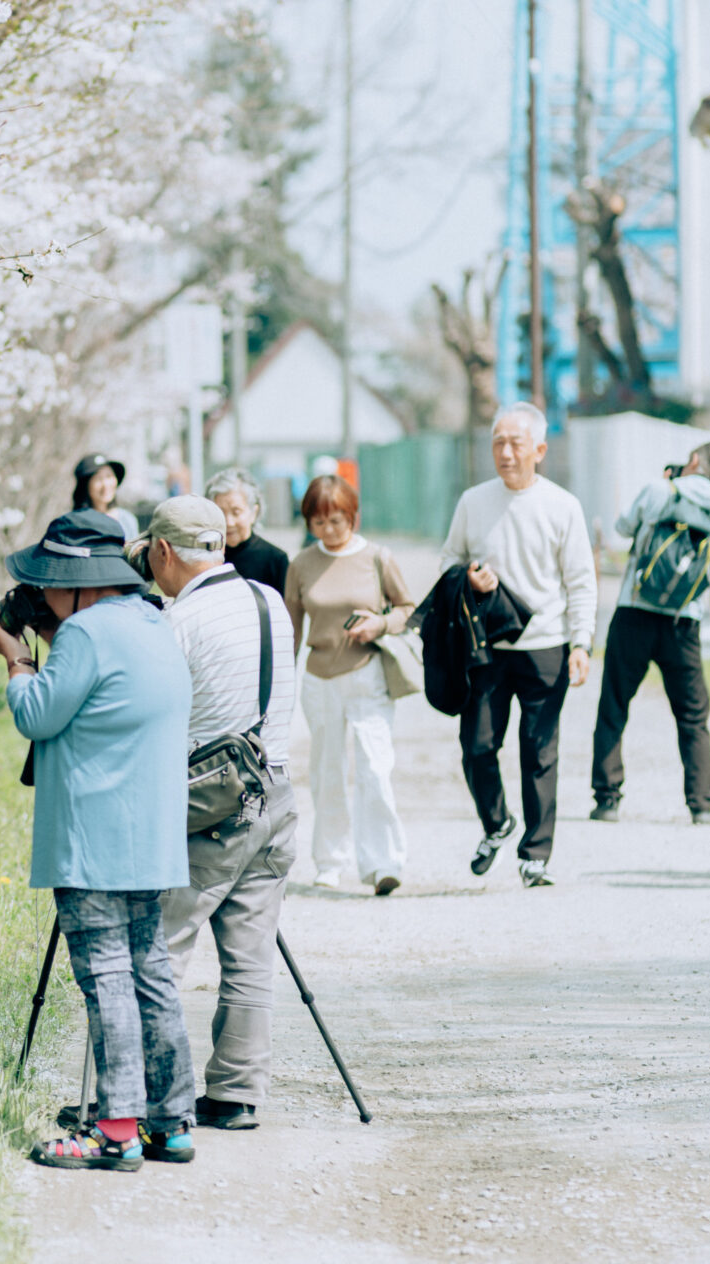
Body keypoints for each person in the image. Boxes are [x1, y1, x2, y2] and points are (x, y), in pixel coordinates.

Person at [0, 510, 196, 1172]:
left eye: (53, 583)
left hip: (92, 840)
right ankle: (172, 1122)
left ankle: (115, 1131)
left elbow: (36, 714)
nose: (45, 594)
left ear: (79, 583)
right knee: (150, 972)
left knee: (106, 978)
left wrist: (17, 659)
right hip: (150, 838)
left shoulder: (83, 634)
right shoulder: (150, 623)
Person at [138, 496, 298, 1132]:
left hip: (209, 806)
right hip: (277, 796)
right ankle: (235, 1095)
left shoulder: (177, 622)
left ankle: (153, 1099)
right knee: (250, 957)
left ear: (164, 552)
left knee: (164, 951)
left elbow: (154, 714)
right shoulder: (270, 602)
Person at [440, 403, 597, 887]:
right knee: (477, 746)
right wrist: (469, 576)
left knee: (539, 750)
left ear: (540, 450)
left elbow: (582, 580)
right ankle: (496, 823)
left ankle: (535, 856)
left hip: (546, 644)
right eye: (497, 443)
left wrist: (581, 642)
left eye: (516, 443)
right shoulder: (473, 501)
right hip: (486, 648)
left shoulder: (562, 505)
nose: (505, 453)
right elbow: (450, 559)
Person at [590, 441, 710, 826]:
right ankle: (700, 805)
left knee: (614, 705)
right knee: (693, 715)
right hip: (683, 623)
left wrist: (663, 487)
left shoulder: (660, 492)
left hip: (635, 612)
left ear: (693, 461)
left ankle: (607, 800)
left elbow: (623, 528)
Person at [283, 475, 415, 895]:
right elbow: (290, 627)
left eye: (337, 521)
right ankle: (329, 861)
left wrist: (381, 623)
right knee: (326, 772)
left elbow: (409, 608)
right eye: (319, 523)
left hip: (366, 673)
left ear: (353, 518)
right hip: (319, 678)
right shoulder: (302, 563)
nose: (329, 530)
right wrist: (282, 678)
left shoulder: (377, 557)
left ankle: (384, 863)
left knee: (376, 767)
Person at [207, 466, 289, 594]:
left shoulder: (275, 559)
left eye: (236, 512)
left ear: (253, 513)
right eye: (221, 512)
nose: (229, 522)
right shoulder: (205, 557)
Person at [72, 453, 139, 533]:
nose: (105, 485)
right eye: (98, 479)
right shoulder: (75, 523)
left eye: (109, 476)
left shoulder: (127, 520)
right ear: (85, 486)